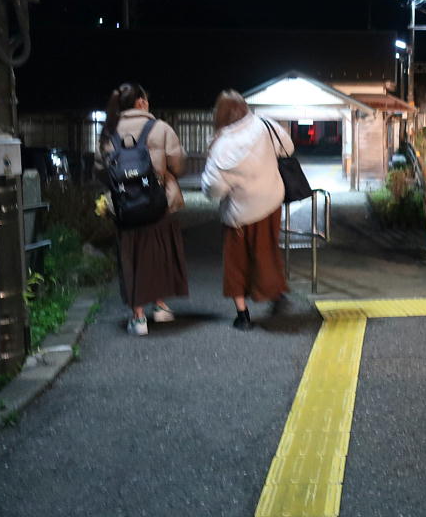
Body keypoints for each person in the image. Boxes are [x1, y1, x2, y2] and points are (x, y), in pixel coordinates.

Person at [100, 82, 189, 335]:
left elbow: (101, 170)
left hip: (125, 205)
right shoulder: (159, 128)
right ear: (140, 102)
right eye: (145, 100)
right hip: (157, 202)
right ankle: (160, 308)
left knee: (131, 258)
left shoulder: (108, 132)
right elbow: (179, 164)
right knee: (159, 254)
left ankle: (138, 318)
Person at [201, 89, 294, 330]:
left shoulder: (220, 146)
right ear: (244, 107)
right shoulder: (264, 125)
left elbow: (213, 190)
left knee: (236, 263)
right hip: (271, 202)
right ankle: (275, 292)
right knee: (266, 252)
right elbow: (288, 148)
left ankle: (242, 315)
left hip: (240, 214)